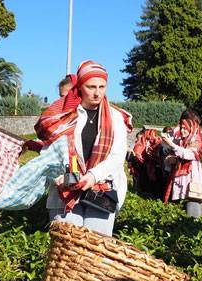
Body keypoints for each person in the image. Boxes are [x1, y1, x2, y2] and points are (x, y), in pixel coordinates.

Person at [36, 60, 133, 236]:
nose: (97, 93)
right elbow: (50, 151)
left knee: (96, 249)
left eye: (101, 87)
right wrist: (58, 175)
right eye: (91, 87)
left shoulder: (115, 118)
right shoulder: (66, 114)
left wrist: (92, 176)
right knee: (67, 247)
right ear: (80, 86)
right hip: (66, 189)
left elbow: (117, 157)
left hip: (101, 189)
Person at [161, 118, 202, 218]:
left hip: (191, 183)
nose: (182, 131)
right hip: (178, 183)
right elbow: (169, 156)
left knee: (192, 215)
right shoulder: (180, 141)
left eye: (185, 128)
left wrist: (171, 144)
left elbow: (189, 154)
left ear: (191, 128)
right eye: (181, 128)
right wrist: (170, 159)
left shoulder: (197, 140)